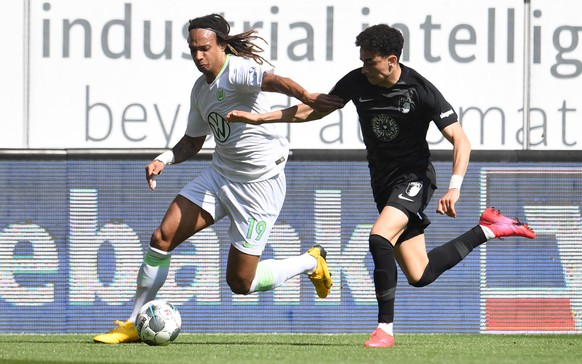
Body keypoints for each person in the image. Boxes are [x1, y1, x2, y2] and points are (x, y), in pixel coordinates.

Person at [227, 24, 536, 348]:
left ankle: (384, 329)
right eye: (361, 60)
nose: (364, 68)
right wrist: (260, 118)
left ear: (391, 60)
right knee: (421, 274)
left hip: (414, 178)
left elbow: (461, 139)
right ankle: (489, 228)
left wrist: (454, 186)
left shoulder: (420, 90)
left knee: (378, 236)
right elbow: (315, 110)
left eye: (370, 62)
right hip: (383, 183)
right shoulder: (357, 81)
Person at [93, 13, 342, 344]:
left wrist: (309, 97)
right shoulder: (200, 90)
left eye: (205, 48)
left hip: (259, 186)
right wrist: (163, 158)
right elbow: (193, 141)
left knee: (241, 283)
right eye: (193, 49)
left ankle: (310, 262)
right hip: (220, 176)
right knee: (161, 238)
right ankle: (133, 322)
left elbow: (275, 81)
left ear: (222, 46)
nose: (198, 56)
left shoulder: (237, 70)